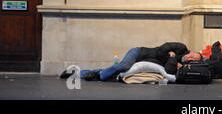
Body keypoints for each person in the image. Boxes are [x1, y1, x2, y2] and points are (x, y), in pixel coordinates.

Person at [61, 42, 202, 82]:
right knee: (123, 66)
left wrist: (171, 58)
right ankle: (99, 76)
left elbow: (170, 71)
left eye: (193, 60)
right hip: (138, 53)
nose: (190, 58)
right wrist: (170, 58)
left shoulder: (181, 65)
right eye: (192, 55)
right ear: (190, 52)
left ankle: (79, 73)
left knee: (118, 72)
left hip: (141, 63)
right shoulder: (181, 47)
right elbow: (161, 50)